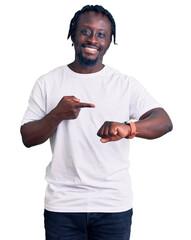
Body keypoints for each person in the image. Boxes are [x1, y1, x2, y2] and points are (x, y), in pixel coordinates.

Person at [20, 5, 173, 240]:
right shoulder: (48, 82)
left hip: (113, 205)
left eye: (101, 34)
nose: (93, 39)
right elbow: (27, 138)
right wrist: (57, 114)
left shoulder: (124, 84)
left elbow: (164, 121)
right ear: (72, 35)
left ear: (110, 41)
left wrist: (129, 128)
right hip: (63, 206)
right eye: (86, 31)